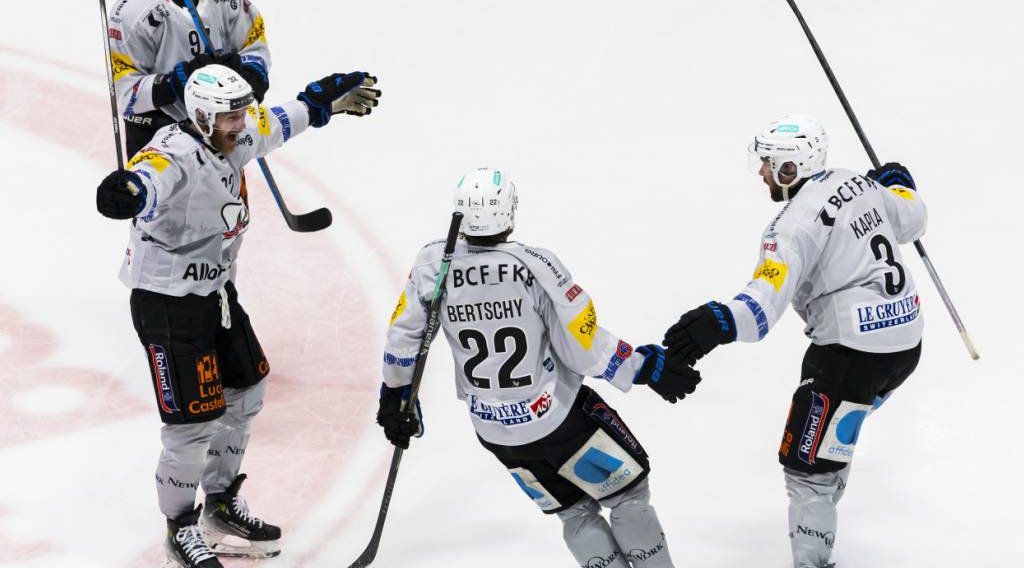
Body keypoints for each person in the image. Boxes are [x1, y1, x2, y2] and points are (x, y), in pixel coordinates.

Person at [95, 64, 380, 568]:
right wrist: (129, 191)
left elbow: (278, 123)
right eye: (230, 117)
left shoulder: (233, 136)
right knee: (192, 424)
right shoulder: (172, 156)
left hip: (216, 295)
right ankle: (179, 529)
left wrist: (319, 104)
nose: (241, 124)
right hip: (167, 305)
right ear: (202, 117)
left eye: (241, 114)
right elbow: (147, 179)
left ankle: (221, 501)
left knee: (247, 391)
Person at [379, 168, 701, 568]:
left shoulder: (431, 263)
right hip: (560, 421)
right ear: (509, 214)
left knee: (573, 512)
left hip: (494, 430)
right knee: (627, 497)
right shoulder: (535, 264)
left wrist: (395, 395)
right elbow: (581, 346)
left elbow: (402, 337)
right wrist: (642, 367)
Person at [659, 114, 926, 568]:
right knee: (832, 437)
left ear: (791, 168)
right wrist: (899, 187)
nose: (762, 172)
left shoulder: (790, 227)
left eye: (768, 163)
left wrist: (716, 323)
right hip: (905, 346)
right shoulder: (858, 184)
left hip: (850, 355)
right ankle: (829, 476)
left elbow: (760, 310)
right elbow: (913, 219)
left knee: (807, 472)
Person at [108, 0, 272, 158]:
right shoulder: (132, 12)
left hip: (219, 129)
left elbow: (253, 43)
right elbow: (123, 94)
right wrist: (172, 84)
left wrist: (251, 75)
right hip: (157, 142)